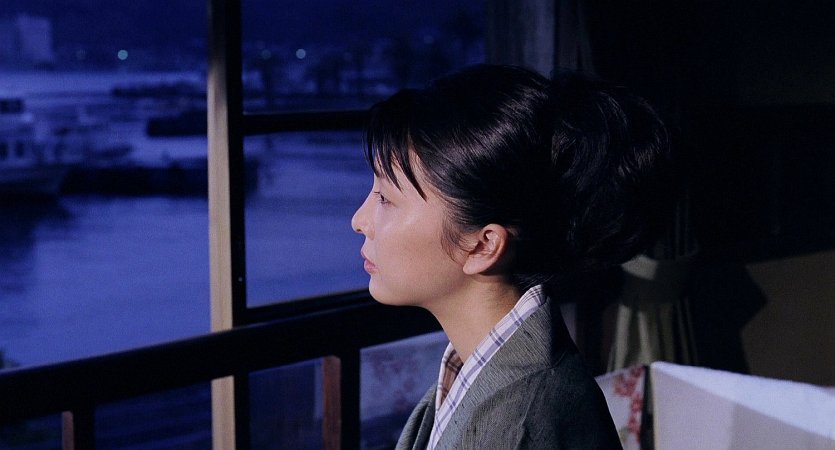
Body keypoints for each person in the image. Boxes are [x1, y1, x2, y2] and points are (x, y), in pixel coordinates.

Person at [351, 64, 670, 449]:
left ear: (483, 246)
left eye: (385, 198)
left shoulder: (517, 428)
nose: (359, 221)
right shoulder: (485, 370)